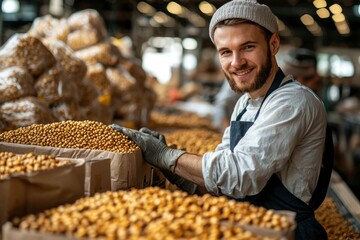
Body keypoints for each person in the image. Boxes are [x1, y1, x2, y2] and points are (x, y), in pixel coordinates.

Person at [111, 0, 333, 239]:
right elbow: (225, 182)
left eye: (247, 47)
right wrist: (175, 171)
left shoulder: (292, 101)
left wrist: (168, 157)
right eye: (226, 52)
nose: (236, 62)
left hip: (286, 231)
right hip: (247, 226)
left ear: (273, 44)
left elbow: (241, 175)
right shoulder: (244, 104)